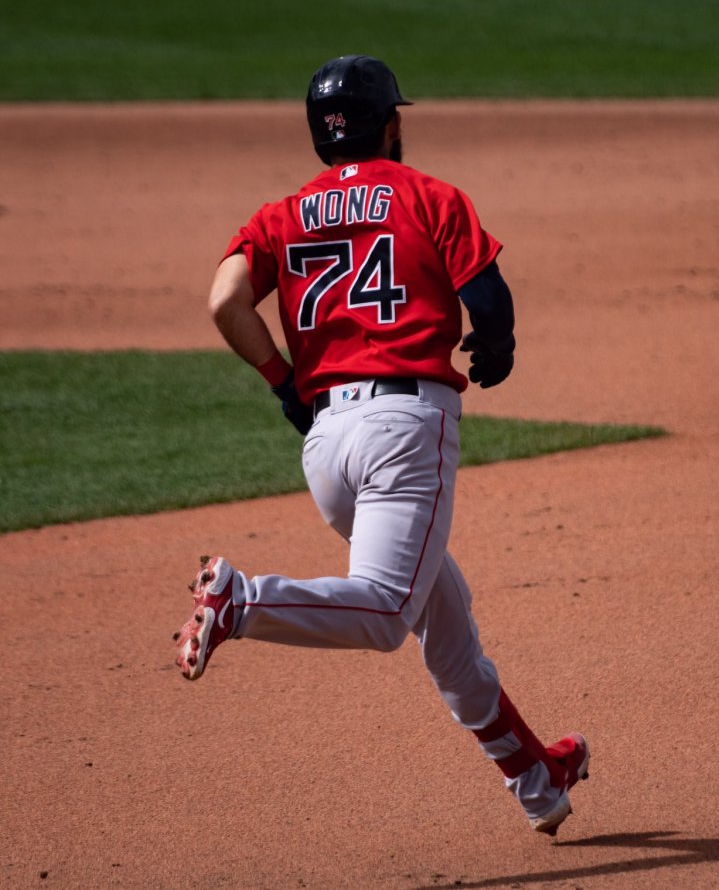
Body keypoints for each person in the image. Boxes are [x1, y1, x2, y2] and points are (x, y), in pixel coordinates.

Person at [173, 54, 588, 835]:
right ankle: (240, 600)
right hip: (404, 430)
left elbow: (225, 299)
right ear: (390, 125)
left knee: (447, 625)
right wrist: (496, 347)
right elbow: (488, 300)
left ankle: (537, 776)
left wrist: (282, 382)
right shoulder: (429, 195)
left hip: (327, 446)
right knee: (386, 612)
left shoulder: (281, 215)